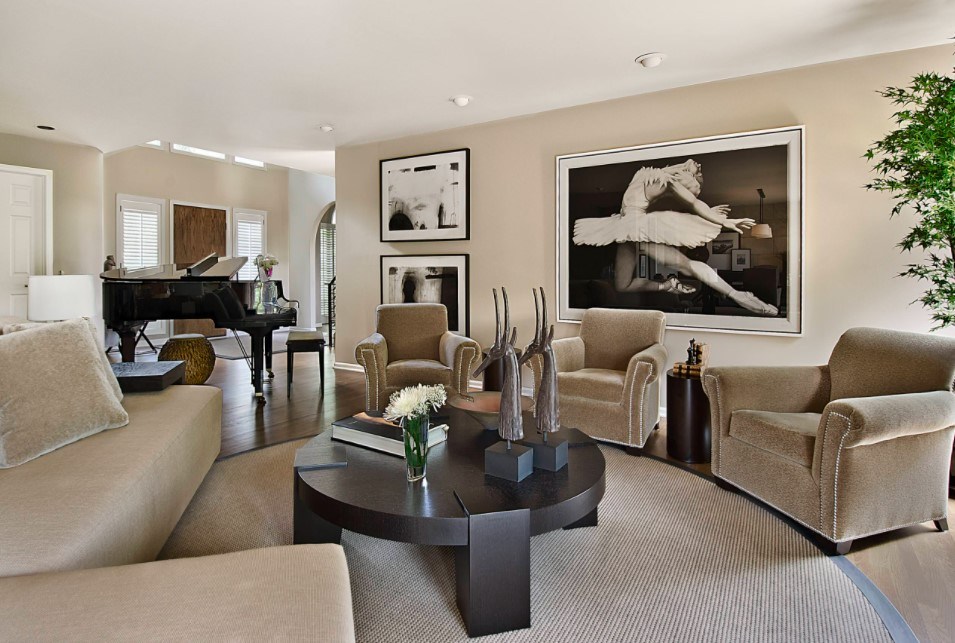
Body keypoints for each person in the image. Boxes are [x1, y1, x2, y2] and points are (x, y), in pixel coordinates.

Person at [572, 159, 778, 316]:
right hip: (626, 226)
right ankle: (667, 285)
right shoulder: (656, 177)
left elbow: (693, 203)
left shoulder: (659, 179)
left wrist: (722, 221)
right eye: (696, 184)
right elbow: (692, 202)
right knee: (622, 285)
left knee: (687, 265)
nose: (693, 190)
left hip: (634, 226)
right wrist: (719, 219)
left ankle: (737, 295)